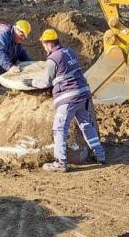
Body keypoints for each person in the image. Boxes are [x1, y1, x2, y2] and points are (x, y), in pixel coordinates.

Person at [22, 29, 105, 172]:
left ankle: (60, 162)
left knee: (59, 128)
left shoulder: (53, 59)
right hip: (83, 92)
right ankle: (100, 154)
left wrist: (30, 82)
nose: (43, 46)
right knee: (86, 124)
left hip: (68, 96)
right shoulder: (69, 52)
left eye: (43, 43)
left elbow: (45, 81)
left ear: (48, 44)